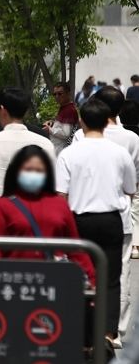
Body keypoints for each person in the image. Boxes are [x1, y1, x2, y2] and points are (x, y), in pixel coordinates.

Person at [56, 99, 136, 346]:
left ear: (81, 121)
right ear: (108, 122)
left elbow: (61, 195)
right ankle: (108, 333)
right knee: (110, 278)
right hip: (111, 220)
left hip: (78, 221)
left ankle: (82, 332)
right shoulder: (120, 153)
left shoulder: (69, 153)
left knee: (78, 276)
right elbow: (130, 189)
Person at [0, 145, 95, 280]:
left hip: (54, 282)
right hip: (14, 281)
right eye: (28, 170)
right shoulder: (2, 206)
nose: (33, 174)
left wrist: (93, 282)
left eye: (39, 171)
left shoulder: (59, 204)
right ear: (16, 172)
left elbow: (75, 248)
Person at [0, 88, 55, 199]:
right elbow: (51, 181)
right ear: (26, 111)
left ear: (2, 109)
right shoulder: (45, 143)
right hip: (36, 210)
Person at [44, 82, 79, 154]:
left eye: (60, 94)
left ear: (68, 94)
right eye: (55, 94)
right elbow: (61, 125)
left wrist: (50, 130)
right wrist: (52, 123)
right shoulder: (64, 107)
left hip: (61, 149)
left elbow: (66, 134)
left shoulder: (69, 110)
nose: (57, 96)